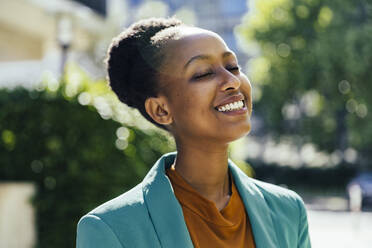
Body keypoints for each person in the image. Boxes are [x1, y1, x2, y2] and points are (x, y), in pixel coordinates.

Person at [76, 17, 311, 248]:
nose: (232, 81)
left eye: (233, 67)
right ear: (161, 110)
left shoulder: (289, 211)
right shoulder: (111, 229)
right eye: (203, 74)